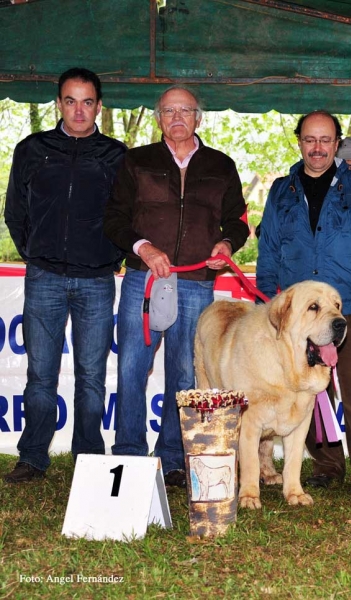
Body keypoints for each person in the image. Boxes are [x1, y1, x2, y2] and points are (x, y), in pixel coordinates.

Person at [104, 86, 249, 488]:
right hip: (143, 279)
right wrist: (144, 248)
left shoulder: (221, 165)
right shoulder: (135, 161)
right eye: (169, 111)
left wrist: (226, 244)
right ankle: (129, 456)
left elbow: (238, 220)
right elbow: (114, 218)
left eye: (185, 110)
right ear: (158, 118)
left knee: (185, 374)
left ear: (199, 118)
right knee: (132, 367)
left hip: (197, 284)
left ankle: (171, 459)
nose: (178, 117)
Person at [257, 110, 351, 495]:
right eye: (310, 140)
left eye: (325, 140)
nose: (317, 148)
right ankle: (326, 465)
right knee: (311, 392)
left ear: (336, 144)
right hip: (299, 313)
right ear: (299, 142)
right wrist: (268, 298)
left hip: (348, 304)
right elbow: (268, 249)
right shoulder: (281, 191)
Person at [3, 68, 127, 483]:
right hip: (44, 279)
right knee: (41, 374)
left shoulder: (116, 155)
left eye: (87, 101)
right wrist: (37, 254)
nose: (79, 110)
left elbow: (127, 215)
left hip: (96, 282)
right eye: (70, 101)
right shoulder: (31, 149)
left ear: (98, 105)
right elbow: (15, 212)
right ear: (59, 104)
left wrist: (109, 257)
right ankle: (33, 456)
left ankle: (89, 457)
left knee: (91, 377)